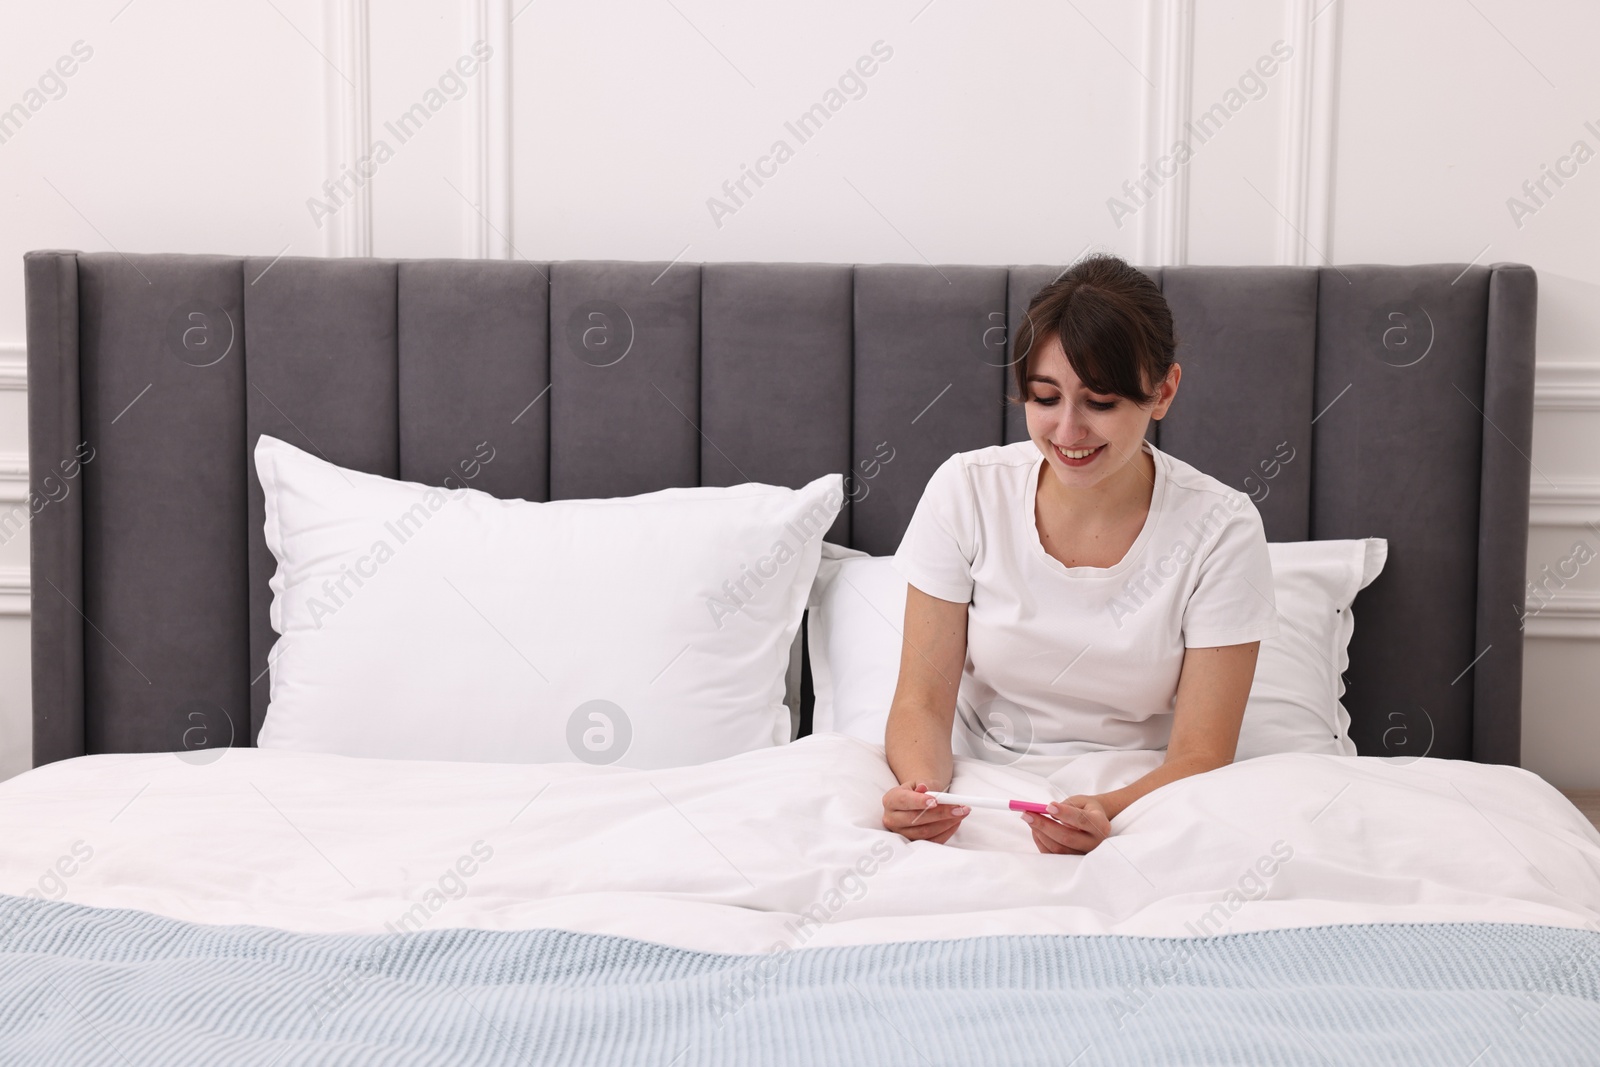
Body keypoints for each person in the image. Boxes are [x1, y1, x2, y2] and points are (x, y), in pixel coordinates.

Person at [880, 254, 1279, 854]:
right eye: (1045, 398)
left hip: (1148, 800)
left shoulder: (1221, 526)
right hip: (982, 792)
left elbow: (1202, 754)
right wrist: (923, 793)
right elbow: (920, 704)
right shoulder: (966, 490)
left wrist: (1101, 814)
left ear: (1163, 391)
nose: (1067, 432)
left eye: (1100, 403)